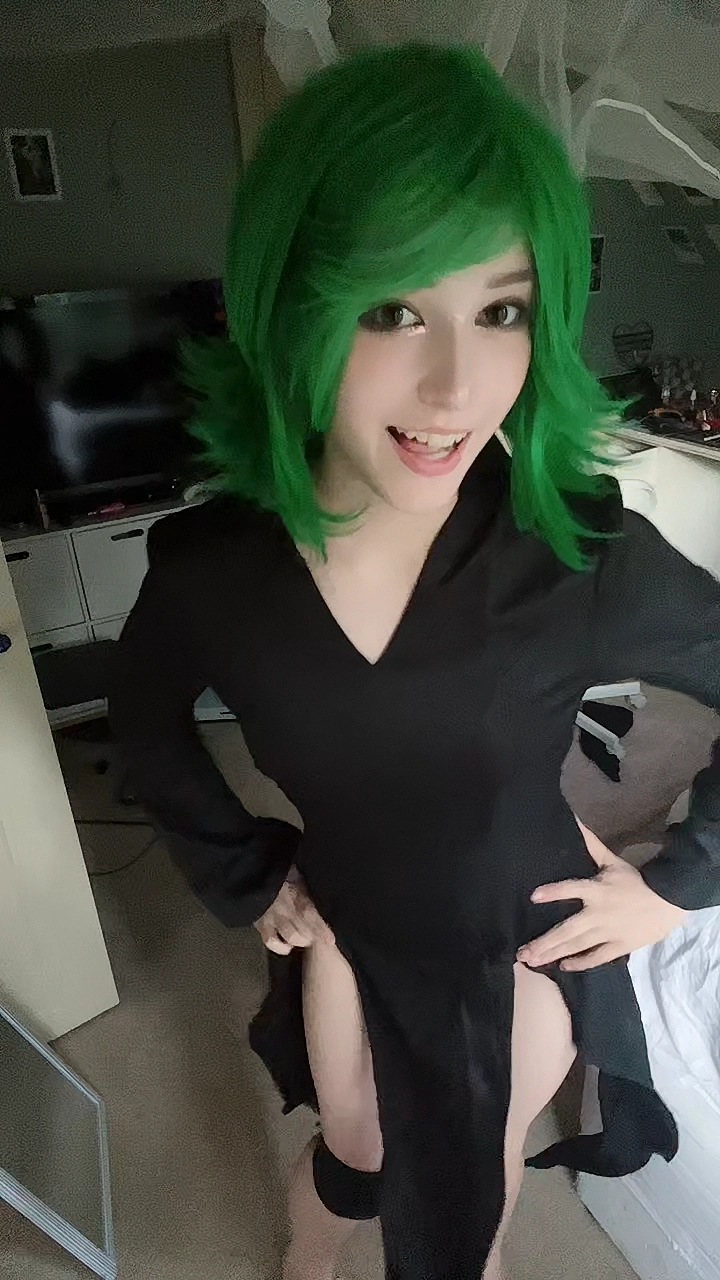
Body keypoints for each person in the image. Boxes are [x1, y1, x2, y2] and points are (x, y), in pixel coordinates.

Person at [109, 43, 720, 1280]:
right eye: (393, 310)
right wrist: (244, 869)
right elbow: (144, 720)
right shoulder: (214, 572)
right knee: (358, 1160)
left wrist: (682, 880)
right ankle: (308, 1252)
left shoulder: (575, 551)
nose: (455, 387)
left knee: (471, 1183)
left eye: (500, 311)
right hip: (356, 927)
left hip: (525, 935)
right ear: (296, 304)